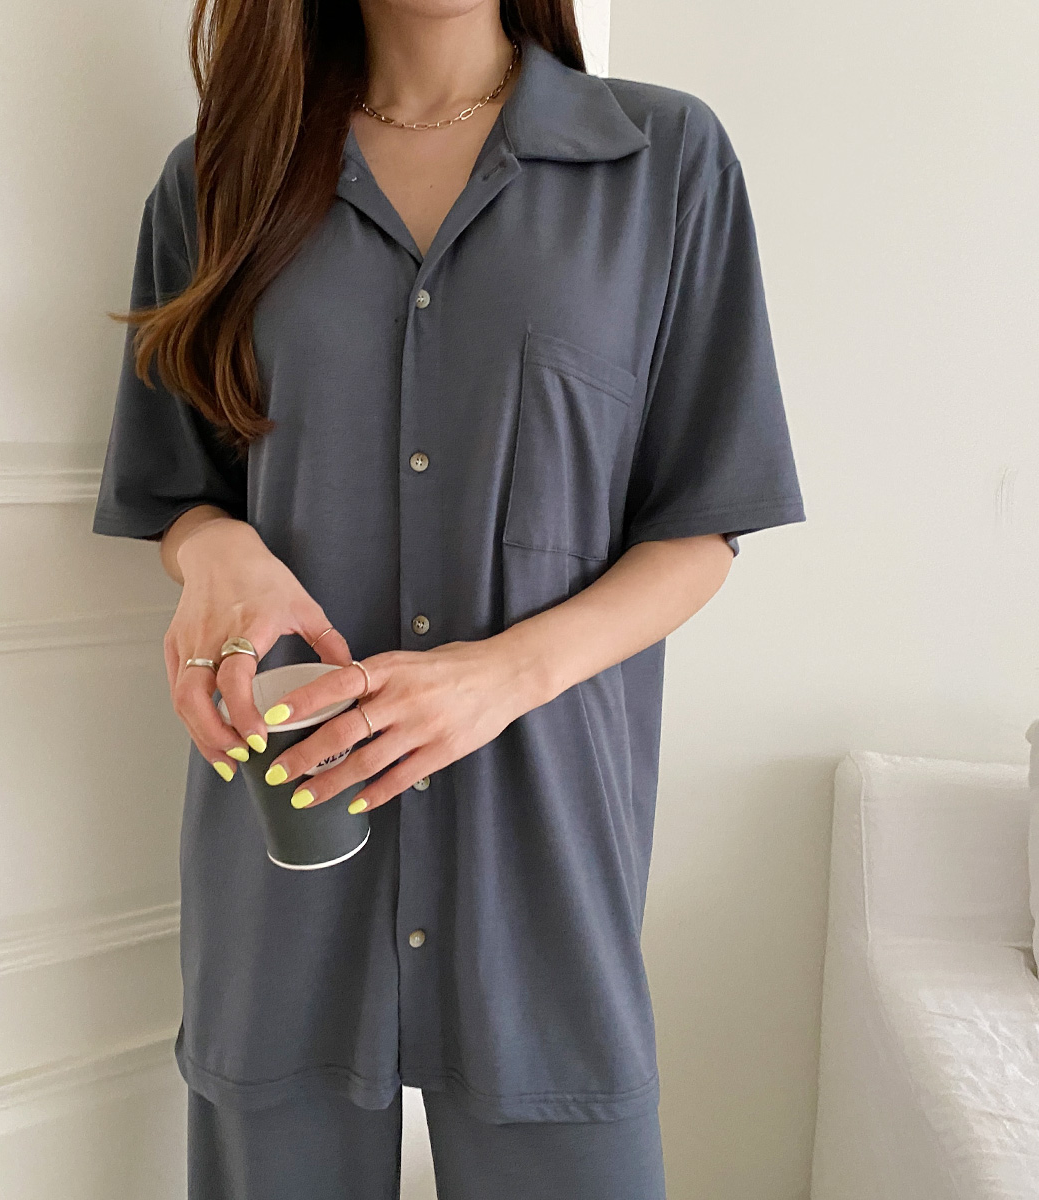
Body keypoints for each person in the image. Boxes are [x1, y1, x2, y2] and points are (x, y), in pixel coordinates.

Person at [92, 0, 806, 1195]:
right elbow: (179, 490)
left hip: (543, 859)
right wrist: (212, 551)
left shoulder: (662, 159)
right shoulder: (219, 179)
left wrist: (500, 677)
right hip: (290, 844)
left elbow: (702, 522)